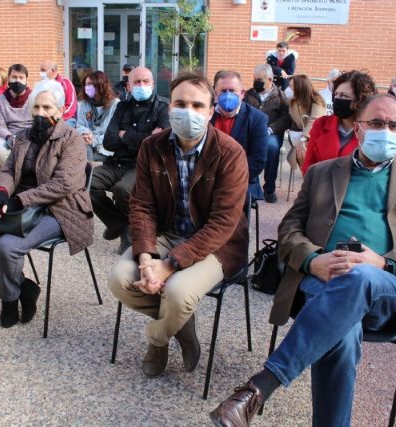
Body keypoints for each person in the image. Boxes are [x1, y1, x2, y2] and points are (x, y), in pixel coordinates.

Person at [210, 94, 396, 427]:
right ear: (358, 128)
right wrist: (312, 261)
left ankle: (260, 387)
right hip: (321, 280)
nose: (386, 131)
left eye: (394, 125)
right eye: (377, 123)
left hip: (388, 289)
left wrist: (383, 263)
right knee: (343, 331)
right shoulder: (322, 173)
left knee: (360, 278)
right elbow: (289, 229)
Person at [107, 72, 249, 379]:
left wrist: (169, 265)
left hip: (218, 245)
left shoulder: (230, 153)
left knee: (179, 294)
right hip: (168, 234)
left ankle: (157, 339)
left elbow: (224, 222)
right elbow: (142, 205)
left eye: (198, 105)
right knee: (120, 279)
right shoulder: (152, 146)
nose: (189, 112)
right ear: (169, 107)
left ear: (211, 111)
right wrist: (146, 259)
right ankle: (182, 325)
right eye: (181, 103)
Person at [0, 82, 93, 328]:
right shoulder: (24, 136)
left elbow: (63, 185)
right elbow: (7, 169)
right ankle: (25, 288)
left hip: (60, 208)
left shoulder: (72, 139)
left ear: (60, 109)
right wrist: (1, 192)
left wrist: (17, 200)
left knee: (7, 247)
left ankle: (8, 300)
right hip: (21, 207)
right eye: (36, 107)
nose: (40, 112)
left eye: (47, 107)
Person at [90, 66, 170, 255]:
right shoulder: (121, 106)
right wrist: (145, 137)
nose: (141, 85)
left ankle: (131, 232)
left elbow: (159, 144)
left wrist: (125, 136)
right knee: (83, 184)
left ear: (153, 83)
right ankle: (118, 224)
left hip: (142, 166)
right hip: (115, 163)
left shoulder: (163, 108)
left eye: (145, 81)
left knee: (122, 190)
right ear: (128, 86)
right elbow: (109, 141)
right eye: (136, 82)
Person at [301, 70, 377, 175]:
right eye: (336, 94)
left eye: (344, 96)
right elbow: (308, 165)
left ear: (360, 100)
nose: (337, 99)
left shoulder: (371, 130)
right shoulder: (321, 124)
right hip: (321, 186)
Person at [211, 70, 268, 202]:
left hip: (242, 181)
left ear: (242, 93)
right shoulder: (205, 116)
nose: (227, 95)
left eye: (232, 90)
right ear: (215, 94)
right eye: (223, 91)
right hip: (207, 178)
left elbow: (257, 161)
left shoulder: (257, 119)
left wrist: (225, 178)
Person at [244, 64, 291, 203]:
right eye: (254, 78)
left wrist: (271, 129)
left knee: (271, 148)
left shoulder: (281, 96)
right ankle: (251, 186)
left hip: (272, 133)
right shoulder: (249, 94)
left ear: (270, 79)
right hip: (251, 133)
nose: (256, 82)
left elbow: (287, 118)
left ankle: (269, 189)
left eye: (260, 79)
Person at [76, 70, 120, 162]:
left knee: (84, 159)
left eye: (91, 84)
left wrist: (94, 140)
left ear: (101, 86)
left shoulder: (116, 105)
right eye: (86, 84)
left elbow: (113, 133)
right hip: (87, 144)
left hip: (105, 149)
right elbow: (80, 125)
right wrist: (85, 134)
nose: (87, 87)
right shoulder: (85, 104)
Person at [0, 64, 33, 166]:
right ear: (8, 78)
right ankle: (11, 174)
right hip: (10, 134)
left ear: (26, 80)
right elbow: (0, 125)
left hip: (31, 134)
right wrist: (8, 137)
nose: (18, 81)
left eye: (21, 78)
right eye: (14, 77)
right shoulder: (1, 99)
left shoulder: (34, 97)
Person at [287, 75, 327, 168]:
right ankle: (306, 173)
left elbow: (315, 120)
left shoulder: (317, 100)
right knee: (301, 152)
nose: (290, 89)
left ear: (300, 88)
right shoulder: (293, 102)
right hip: (299, 137)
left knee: (305, 151)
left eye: (292, 86)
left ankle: (309, 174)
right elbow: (290, 118)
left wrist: (303, 138)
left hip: (315, 137)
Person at [40, 60, 77, 126]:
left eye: (43, 70)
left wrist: (54, 120)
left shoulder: (66, 83)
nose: (41, 73)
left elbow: (70, 107)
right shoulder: (42, 86)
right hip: (47, 120)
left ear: (53, 71)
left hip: (66, 120)